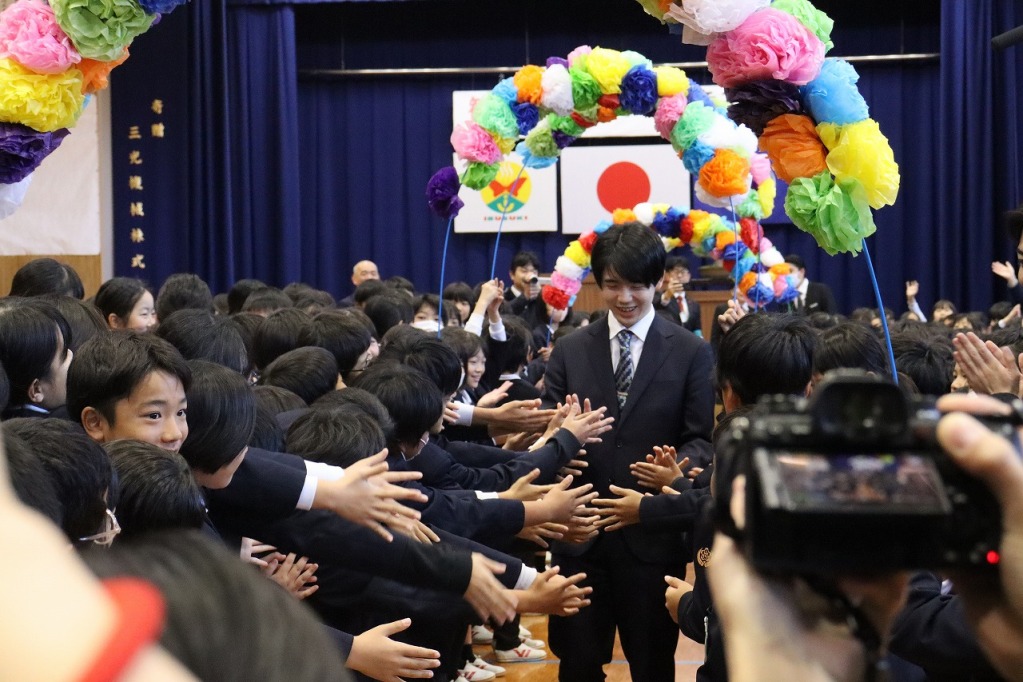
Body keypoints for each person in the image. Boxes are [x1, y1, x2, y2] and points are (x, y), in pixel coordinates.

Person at [542, 221, 715, 681]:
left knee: (652, 666)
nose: (624, 297)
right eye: (612, 284)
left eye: (637, 285)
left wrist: (677, 469)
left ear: (657, 281)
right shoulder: (569, 349)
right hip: (578, 534)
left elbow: (701, 437)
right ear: (598, 283)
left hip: (651, 538)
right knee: (577, 665)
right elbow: (548, 429)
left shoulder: (691, 352)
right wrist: (558, 449)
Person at [656, 255, 702, 334]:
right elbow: (657, 306)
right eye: (676, 272)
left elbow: (697, 331)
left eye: (683, 272)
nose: (679, 276)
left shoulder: (694, 305)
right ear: (667, 275)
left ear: (689, 276)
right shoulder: (658, 297)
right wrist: (667, 295)